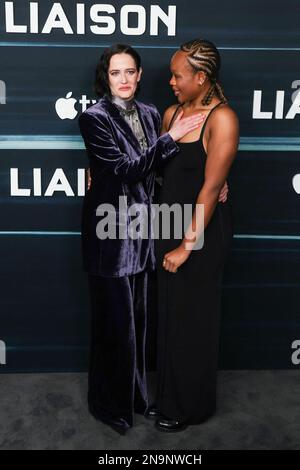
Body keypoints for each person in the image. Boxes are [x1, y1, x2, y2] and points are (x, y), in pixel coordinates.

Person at [78, 43, 212, 435]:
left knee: (140, 325)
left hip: (144, 233)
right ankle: (109, 406)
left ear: (139, 74)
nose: (124, 80)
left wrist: (215, 183)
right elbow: (122, 170)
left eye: (130, 72)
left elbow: (163, 169)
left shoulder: (153, 113)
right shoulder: (93, 118)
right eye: (116, 73)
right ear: (106, 77)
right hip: (109, 236)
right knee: (114, 327)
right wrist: (171, 138)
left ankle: (137, 397)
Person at [149, 38, 239, 432]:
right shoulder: (171, 115)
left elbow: (208, 189)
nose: (171, 81)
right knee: (170, 318)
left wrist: (187, 246)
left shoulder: (222, 119)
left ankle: (190, 407)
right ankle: (168, 396)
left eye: (178, 75)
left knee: (193, 322)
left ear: (201, 78)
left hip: (200, 235)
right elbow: (155, 169)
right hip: (168, 225)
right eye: (171, 74)